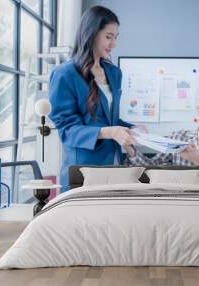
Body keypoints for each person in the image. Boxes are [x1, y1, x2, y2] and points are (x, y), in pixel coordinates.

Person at [49, 6, 137, 192]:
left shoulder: (114, 73)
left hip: (113, 168)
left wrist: (131, 129)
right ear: (91, 34)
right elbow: (67, 130)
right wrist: (110, 133)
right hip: (83, 172)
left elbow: (108, 119)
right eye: (108, 36)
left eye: (116, 37)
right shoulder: (65, 74)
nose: (113, 43)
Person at [126, 83, 199, 192]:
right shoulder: (179, 137)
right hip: (179, 200)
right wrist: (129, 149)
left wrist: (197, 160)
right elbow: (149, 169)